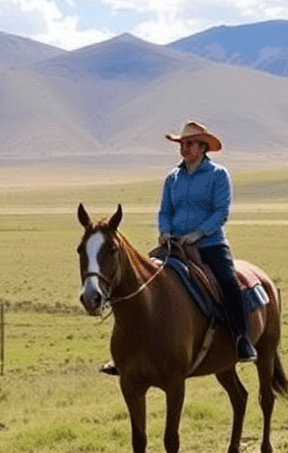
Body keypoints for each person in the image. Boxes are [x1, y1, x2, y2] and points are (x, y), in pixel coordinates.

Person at [99, 120, 256, 376]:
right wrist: (164, 232)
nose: (184, 147)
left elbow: (221, 212)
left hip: (210, 244)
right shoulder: (172, 178)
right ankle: (125, 352)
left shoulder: (218, 175)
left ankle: (241, 339)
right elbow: (165, 211)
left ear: (203, 146)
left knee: (228, 282)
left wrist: (198, 233)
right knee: (139, 282)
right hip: (173, 245)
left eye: (189, 143)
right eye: (182, 143)